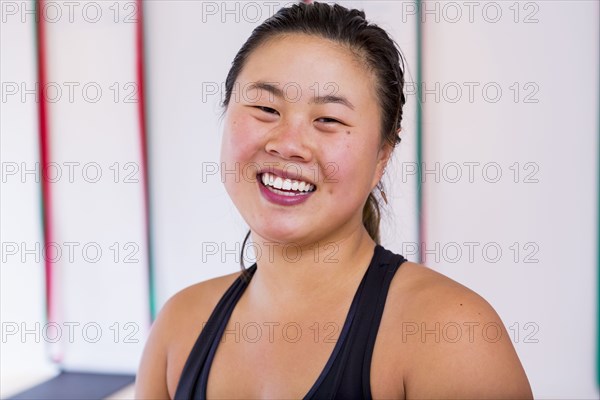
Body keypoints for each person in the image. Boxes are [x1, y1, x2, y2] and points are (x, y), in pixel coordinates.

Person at [135, 2, 533, 398]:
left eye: (328, 119)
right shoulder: (178, 329)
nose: (288, 144)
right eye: (265, 108)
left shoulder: (449, 335)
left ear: (382, 156)